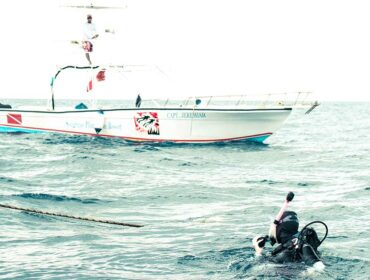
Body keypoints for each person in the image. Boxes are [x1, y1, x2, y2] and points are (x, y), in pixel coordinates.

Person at [253, 210, 326, 269]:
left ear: (280, 229)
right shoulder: (286, 247)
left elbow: (319, 267)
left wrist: (258, 253)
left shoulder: (302, 246)